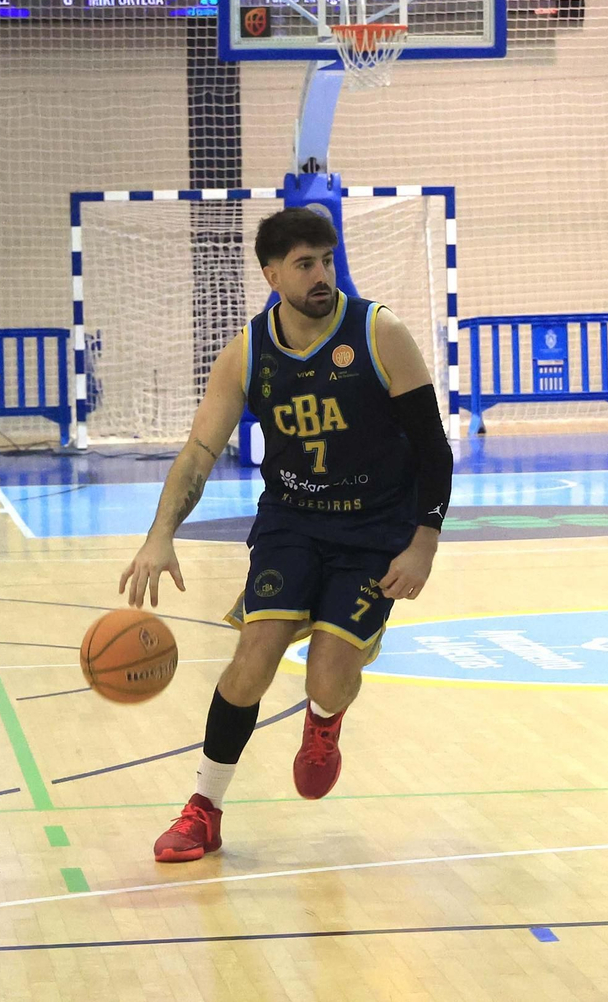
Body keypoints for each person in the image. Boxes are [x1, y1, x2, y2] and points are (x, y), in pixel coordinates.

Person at [118, 207, 454, 863]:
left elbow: (433, 449)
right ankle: (203, 811)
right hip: (292, 523)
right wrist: (160, 534)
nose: (322, 275)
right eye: (305, 264)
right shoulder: (247, 353)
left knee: (327, 676)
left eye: (327, 260)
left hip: (374, 529)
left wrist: (424, 542)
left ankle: (324, 720)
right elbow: (197, 452)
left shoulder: (380, 333)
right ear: (272, 274)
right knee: (251, 661)